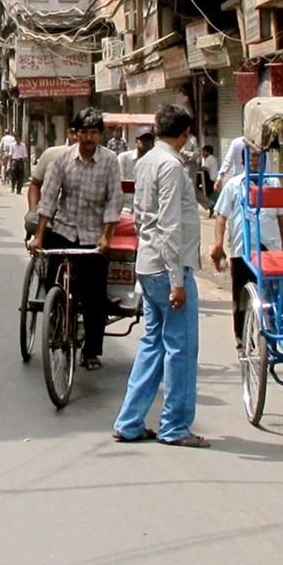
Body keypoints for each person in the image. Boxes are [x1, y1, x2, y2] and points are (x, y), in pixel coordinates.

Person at [113, 105, 208, 448]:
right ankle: (175, 426)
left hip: (149, 264)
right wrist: (178, 282)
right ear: (184, 134)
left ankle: (130, 421)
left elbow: (141, 216)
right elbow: (169, 225)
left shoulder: (147, 161)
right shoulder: (170, 165)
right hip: (169, 268)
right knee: (180, 350)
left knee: (152, 345)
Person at [31, 107, 123, 371]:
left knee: (95, 297)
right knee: (52, 283)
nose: (88, 137)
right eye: (83, 132)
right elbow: (48, 198)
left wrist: (106, 238)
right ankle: (56, 323)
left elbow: (113, 203)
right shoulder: (62, 160)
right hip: (64, 229)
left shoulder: (109, 161)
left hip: (94, 236)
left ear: (101, 135)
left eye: (94, 132)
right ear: (75, 134)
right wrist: (39, 236)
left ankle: (92, 351)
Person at [210, 164, 283, 354]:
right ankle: (242, 339)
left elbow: (282, 217)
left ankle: (271, 337)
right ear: (243, 161)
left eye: (259, 156)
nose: (255, 159)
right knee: (241, 296)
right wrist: (218, 245)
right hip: (242, 249)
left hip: (270, 249)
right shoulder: (234, 184)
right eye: (251, 156)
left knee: (272, 295)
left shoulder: (274, 182)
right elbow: (221, 217)